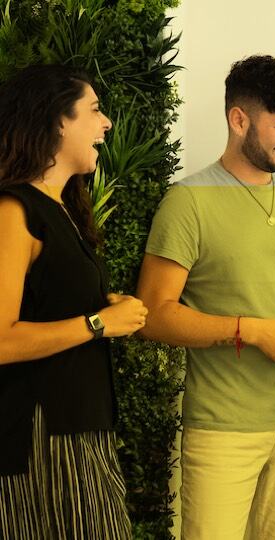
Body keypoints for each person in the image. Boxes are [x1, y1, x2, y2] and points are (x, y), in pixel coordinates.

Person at [137, 54, 275, 540]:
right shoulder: (187, 200)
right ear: (238, 120)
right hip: (223, 426)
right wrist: (249, 331)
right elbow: (154, 316)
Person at [0, 64, 148, 539]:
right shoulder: (13, 209)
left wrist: (107, 309)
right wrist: (101, 322)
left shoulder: (63, 207)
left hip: (80, 429)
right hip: (40, 437)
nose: (106, 123)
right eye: (95, 110)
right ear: (56, 120)